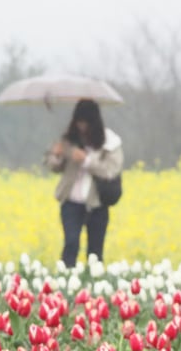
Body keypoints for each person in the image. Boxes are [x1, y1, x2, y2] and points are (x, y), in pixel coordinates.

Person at [46, 99, 123, 268]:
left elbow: (111, 170)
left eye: (85, 123)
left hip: (97, 203)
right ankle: (66, 277)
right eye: (79, 122)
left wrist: (86, 161)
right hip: (71, 201)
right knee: (71, 243)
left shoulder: (109, 142)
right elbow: (55, 167)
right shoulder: (69, 140)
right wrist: (56, 155)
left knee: (95, 252)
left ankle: (94, 282)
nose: (82, 127)